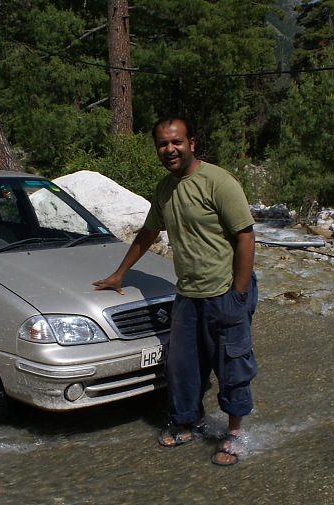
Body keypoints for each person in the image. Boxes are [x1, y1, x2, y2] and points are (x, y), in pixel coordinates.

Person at [92, 115, 258, 466]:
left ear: (191, 143)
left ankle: (235, 433)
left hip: (225, 291)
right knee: (182, 366)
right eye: (163, 144)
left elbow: (245, 235)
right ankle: (188, 422)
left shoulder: (218, 182)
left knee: (232, 364)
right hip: (189, 294)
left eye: (176, 142)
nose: (169, 149)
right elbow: (149, 232)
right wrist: (120, 273)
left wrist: (239, 292)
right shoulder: (165, 188)